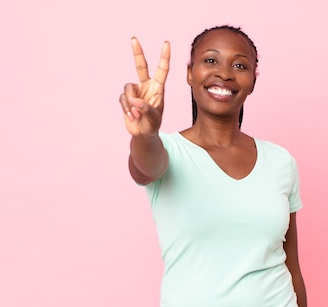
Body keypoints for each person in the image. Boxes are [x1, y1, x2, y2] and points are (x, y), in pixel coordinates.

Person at [119, 25, 307, 307]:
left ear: (253, 82)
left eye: (240, 65)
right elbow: (146, 166)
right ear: (189, 73)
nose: (225, 73)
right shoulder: (167, 150)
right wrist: (145, 135)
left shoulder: (281, 162)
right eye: (210, 60)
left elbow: (292, 267)